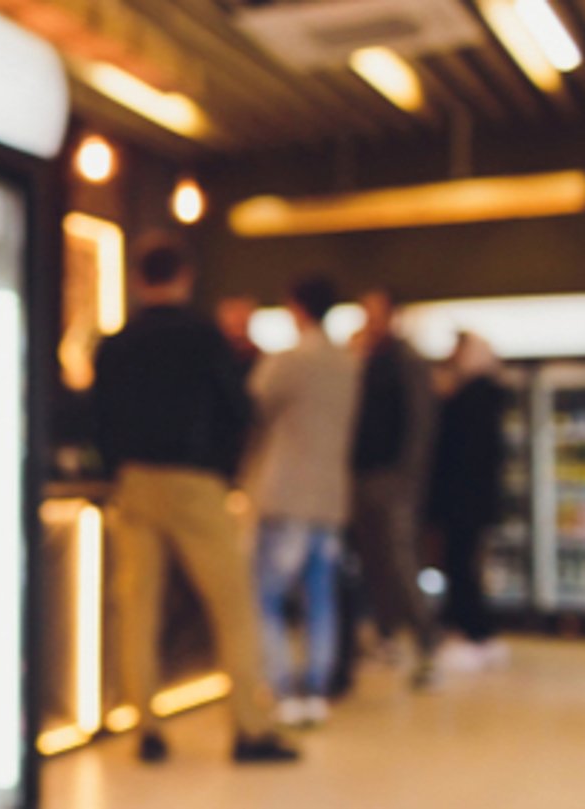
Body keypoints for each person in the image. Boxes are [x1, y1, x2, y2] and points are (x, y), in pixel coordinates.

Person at [93, 237, 296, 764]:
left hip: (134, 482)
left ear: (138, 280)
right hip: (196, 484)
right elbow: (241, 408)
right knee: (232, 607)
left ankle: (146, 728)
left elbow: (96, 419)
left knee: (137, 609)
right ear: (184, 277)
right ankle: (250, 729)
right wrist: (226, 468)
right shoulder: (204, 337)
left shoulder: (115, 343)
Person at [244, 276, 360, 728]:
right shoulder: (348, 363)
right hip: (330, 497)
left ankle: (282, 688)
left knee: (266, 596)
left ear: (295, 308)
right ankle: (316, 689)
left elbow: (252, 408)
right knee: (321, 598)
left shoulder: (289, 360)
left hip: (285, 492)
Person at [348, 288, 443, 688]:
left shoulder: (407, 363)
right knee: (371, 562)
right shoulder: (361, 360)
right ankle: (385, 636)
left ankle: (426, 640)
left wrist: (408, 479)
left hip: (393, 479)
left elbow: (421, 426)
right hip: (360, 477)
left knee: (400, 562)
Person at [429, 332, 509, 668]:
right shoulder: (486, 394)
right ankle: (472, 631)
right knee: (465, 566)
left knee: (463, 567)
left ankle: (473, 633)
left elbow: (457, 453)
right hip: (474, 501)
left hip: (464, 501)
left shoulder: (470, 397)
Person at [216, 296, 262, 377]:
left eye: (243, 312)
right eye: (233, 312)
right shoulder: (213, 354)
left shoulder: (259, 356)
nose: (238, 318)